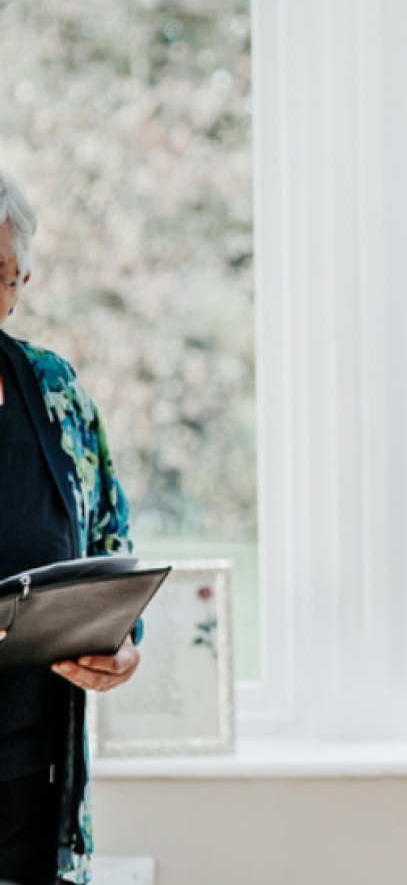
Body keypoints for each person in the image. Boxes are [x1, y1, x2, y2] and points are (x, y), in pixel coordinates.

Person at [0, 168, 141, 885]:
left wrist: (120, 643)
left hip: (32, 795)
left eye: (1, 274)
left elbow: (111, 543)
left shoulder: (55, 391)